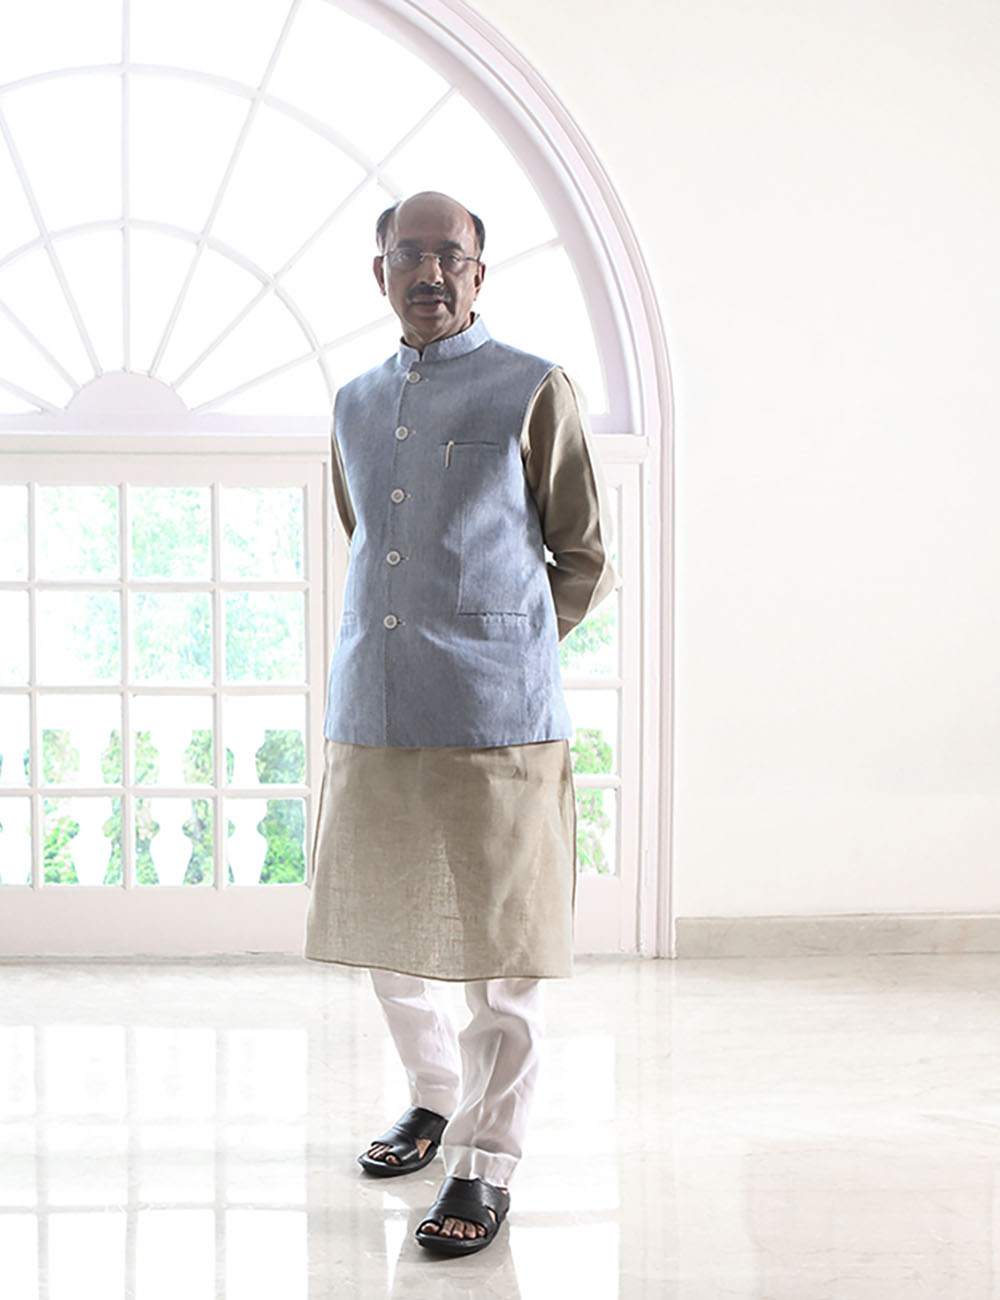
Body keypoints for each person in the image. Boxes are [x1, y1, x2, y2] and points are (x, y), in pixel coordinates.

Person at [305, 191, 615, 1256]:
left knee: (505, 952)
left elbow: (582, 555)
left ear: (479, 273)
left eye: (452, 256)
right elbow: (368, 533)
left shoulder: (534, 386)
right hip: (374, 702)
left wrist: (507, 647)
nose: (430, 273)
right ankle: (434, 1095)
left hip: (498, 717)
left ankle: (487, 1160)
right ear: (380, 272)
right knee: (384, 933)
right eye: (410, 255)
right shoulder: (353, 402)